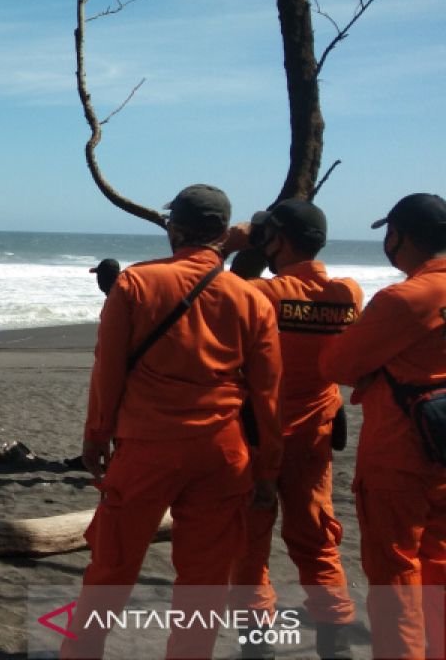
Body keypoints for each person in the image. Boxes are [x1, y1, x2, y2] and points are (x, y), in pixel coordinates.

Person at [61, 184, 283, 659]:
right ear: (224, 233)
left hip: (146, 447)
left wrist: (96, 434)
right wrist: (267, 469)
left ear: (173, 228)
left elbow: (109, 368)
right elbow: (266, 398)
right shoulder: (253, 300)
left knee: (112, 567)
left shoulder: (135, 284)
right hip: (222, 453)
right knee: (203, 581)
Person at [223, 199, 361, 659]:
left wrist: (231, 242)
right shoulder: (349, 294)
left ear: (276, 241)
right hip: (313, 439)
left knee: (250, 545)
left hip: (258, 438)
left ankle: (257, 648)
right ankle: (336, 644)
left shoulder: (258, 295)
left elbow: (209, 291)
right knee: (317, 539)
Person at [321, 193, 446, 660]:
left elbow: (337, 362)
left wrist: (378, 365)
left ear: (403, 237)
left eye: (389, 234)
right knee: (439, 559)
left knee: (395, 569)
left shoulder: (403, 298)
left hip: (399, 455)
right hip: (443, 451)